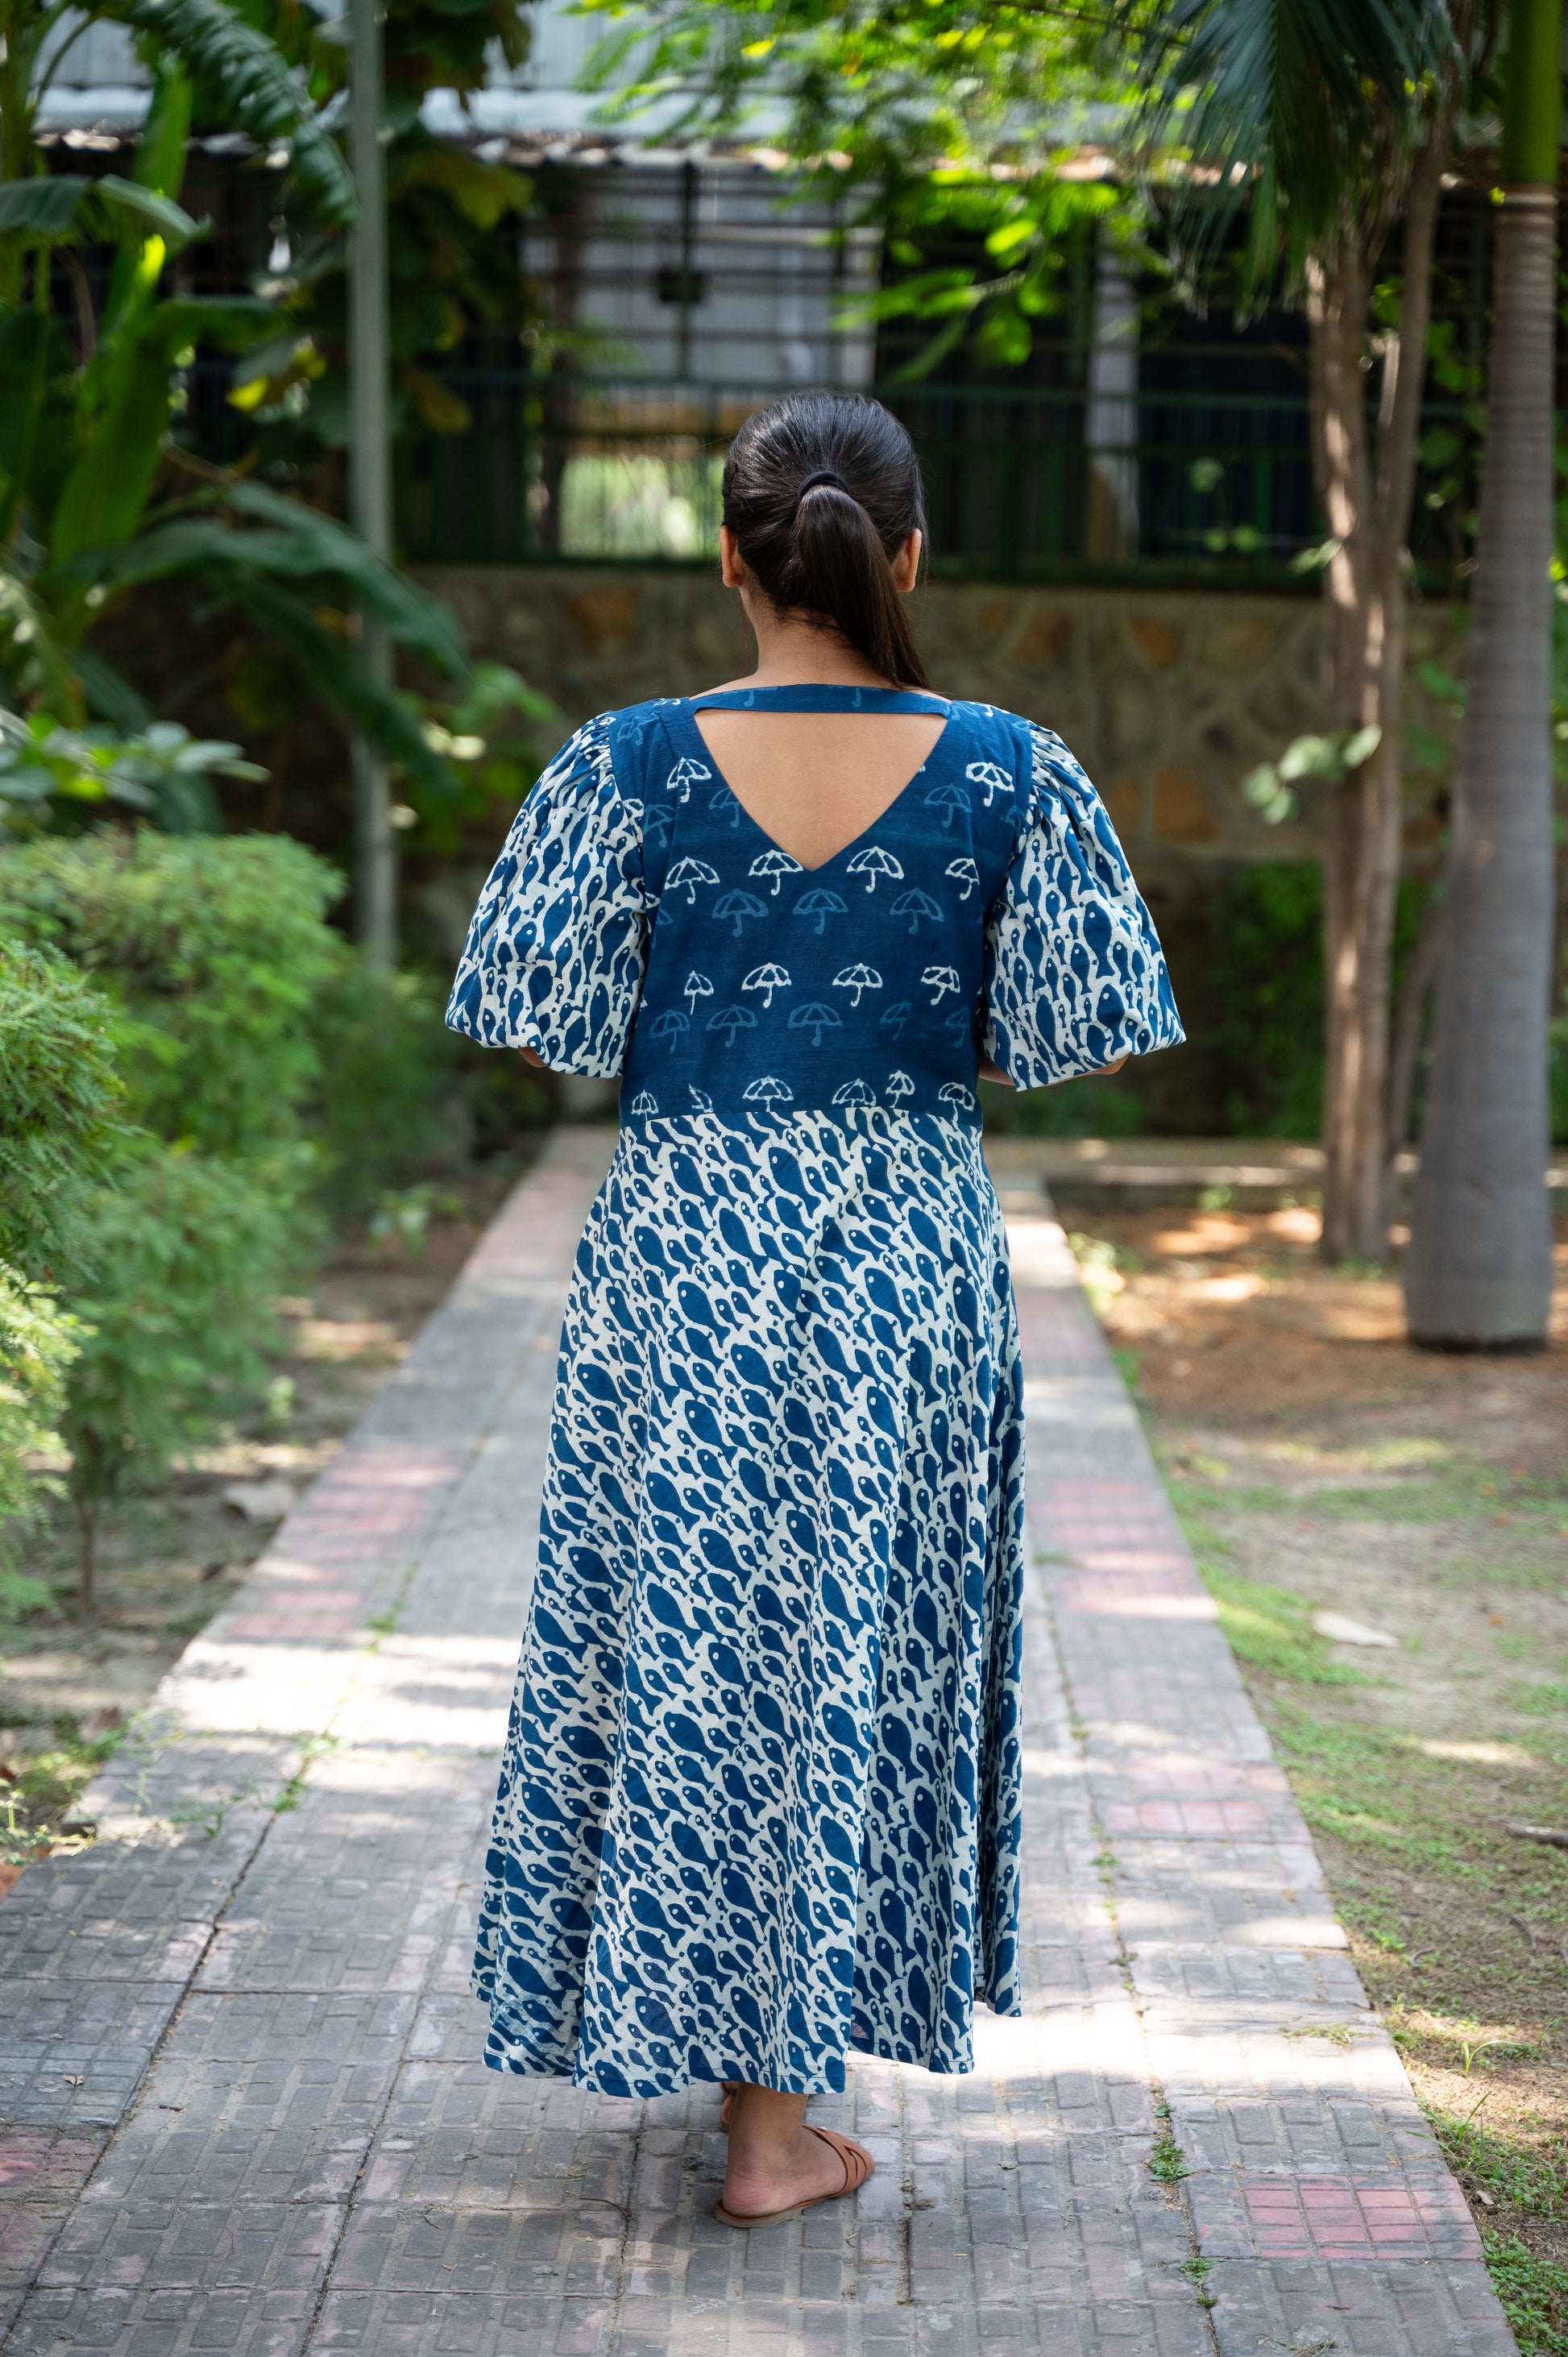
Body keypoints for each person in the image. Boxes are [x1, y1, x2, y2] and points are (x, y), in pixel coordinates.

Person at [446, 390, 1183, 2227]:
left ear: (726, 554)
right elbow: (1068, 1029)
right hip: (902, 1254)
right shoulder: (1014, 766)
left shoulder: (618, 763)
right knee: (855, 1632)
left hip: (684, 1248)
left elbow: (543, 1010)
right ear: (907, 556)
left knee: (687, 1631)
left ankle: (710, 2060)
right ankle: (776, 2121)